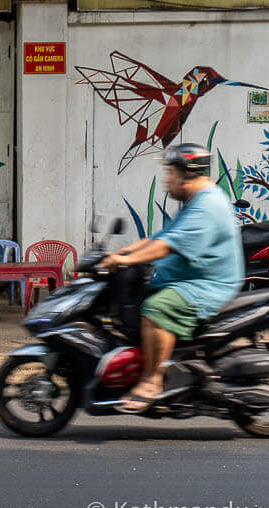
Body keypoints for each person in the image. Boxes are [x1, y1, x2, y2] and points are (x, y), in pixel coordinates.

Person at [99, 143, 243, 413]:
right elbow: (157, 239)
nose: (166, 179)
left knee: (156, 308)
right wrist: (121, 252)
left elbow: (167, 247)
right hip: (188, 279)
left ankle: (152, 380)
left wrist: (126, 259)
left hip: (206, 285)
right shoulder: (194, 203)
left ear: (187, 174)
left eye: (171, 173)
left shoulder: (206, 206)